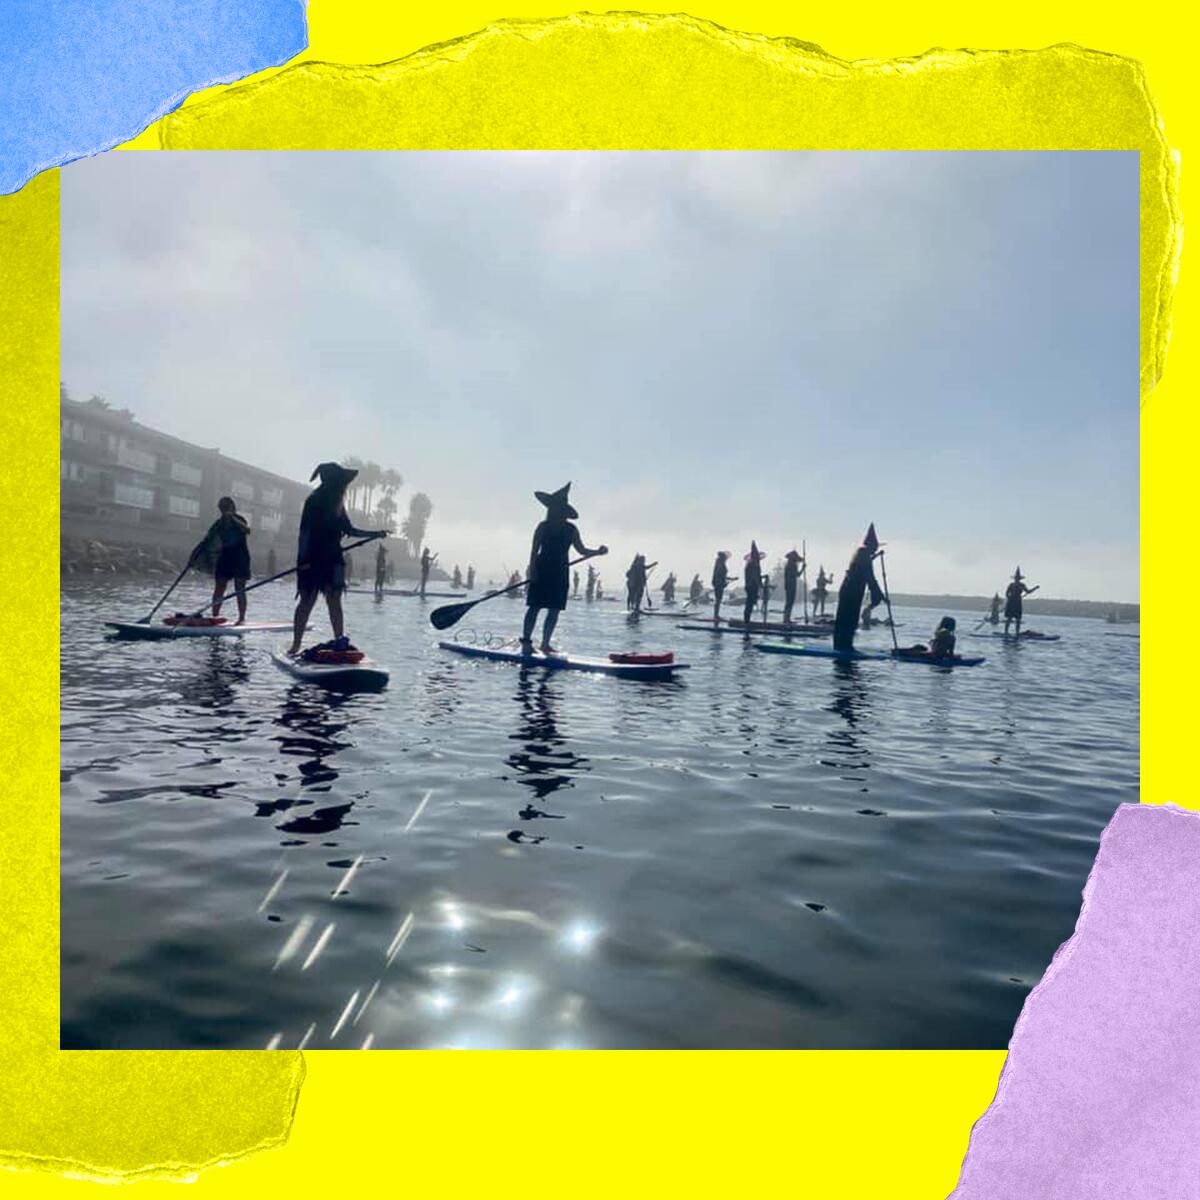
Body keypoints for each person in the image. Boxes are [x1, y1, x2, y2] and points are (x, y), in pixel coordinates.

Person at [288, 463, 386, 656]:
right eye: (342, 483)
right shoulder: (313, 501)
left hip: (333, 558)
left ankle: (339, 640)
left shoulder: (337, 503)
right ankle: (295, 644)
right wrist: (303, 561)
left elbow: (349, 529)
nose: (345, 487)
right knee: (307, 601)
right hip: (312, 560)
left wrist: (375, 534)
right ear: (335, 483)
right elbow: (305, 535)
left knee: (334, 601)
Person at [521, 482, 607, 654]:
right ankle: (526, 643)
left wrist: (597, 552)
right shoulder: (542, 527)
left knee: (555, 609)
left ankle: (545, 644)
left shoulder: (571, 529)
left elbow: (581, 550)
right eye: (555, 508)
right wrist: (533, 571)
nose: (557, 512)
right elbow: (533, 550)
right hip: (542, 568)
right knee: (535, 607)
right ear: (551, 509)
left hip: (560, 571)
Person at [195, 496, 251, 624]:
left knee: (239, 588)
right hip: (225, 556)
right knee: (219, 587)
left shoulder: (239, 519)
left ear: (232, 507)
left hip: (240, 557)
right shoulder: (219, 523)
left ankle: (241, 618)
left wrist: (232, 518)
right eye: (222, 508)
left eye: (226, 507)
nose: (224, 511)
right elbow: (207, 540)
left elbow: (247, 530)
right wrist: (195, 555)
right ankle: (215, 616)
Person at [833, 525, 885, 655]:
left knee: (849, 619)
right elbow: (870, 576)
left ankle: (844, 645)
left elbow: (865, 567)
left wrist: (876, 556)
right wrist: (879, 594)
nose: (876, 549)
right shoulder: (863, 553)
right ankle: (843, 646)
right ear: (871, 545)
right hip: (851, 592)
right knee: (847, 620)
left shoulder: (862, 553)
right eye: (876, 547)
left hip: (852, 591)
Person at [1004, 568, 1038, 637]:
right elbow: (1007, 593)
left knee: (1018, 619)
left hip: (1018, 603)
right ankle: (1006, 632)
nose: (1017, 579)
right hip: (1011, 602)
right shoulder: (1011, 585)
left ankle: (1017, 633)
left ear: (1020, 579)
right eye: (1016, 578)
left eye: (1018, 578)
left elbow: (1028, 592)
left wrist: (1035, 588)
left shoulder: (1022, 585)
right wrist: (1009, 597)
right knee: (1009, 618)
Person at [742, 542, 764, 628]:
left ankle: (747, 620)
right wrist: (759, 584)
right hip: (751, 586)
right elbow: (754, 577)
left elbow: (758, 576)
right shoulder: (751, 565)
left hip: (752, 586)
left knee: (750, 603)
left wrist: (760, 583)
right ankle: (746, 622)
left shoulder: (754, 565)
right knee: (749, 603)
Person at [783, 549, 804, 625]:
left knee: (790, 601)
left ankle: (787, 618)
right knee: (789, 601)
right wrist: (803, 568)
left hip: (790, 584)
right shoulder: (791, 565)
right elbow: (797, 575)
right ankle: (786, 619)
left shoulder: (790, 565)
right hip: (790, 585)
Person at [712, 550, 732, 621]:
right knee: (718, 600)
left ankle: (716, 615)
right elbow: (720, 575)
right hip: (719, 584)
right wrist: (724, 582)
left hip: (719, 584)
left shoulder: (719, 563)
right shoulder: (721, 564)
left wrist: (730, 579)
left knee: (718, 600)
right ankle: (716, 616)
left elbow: (722, 575)